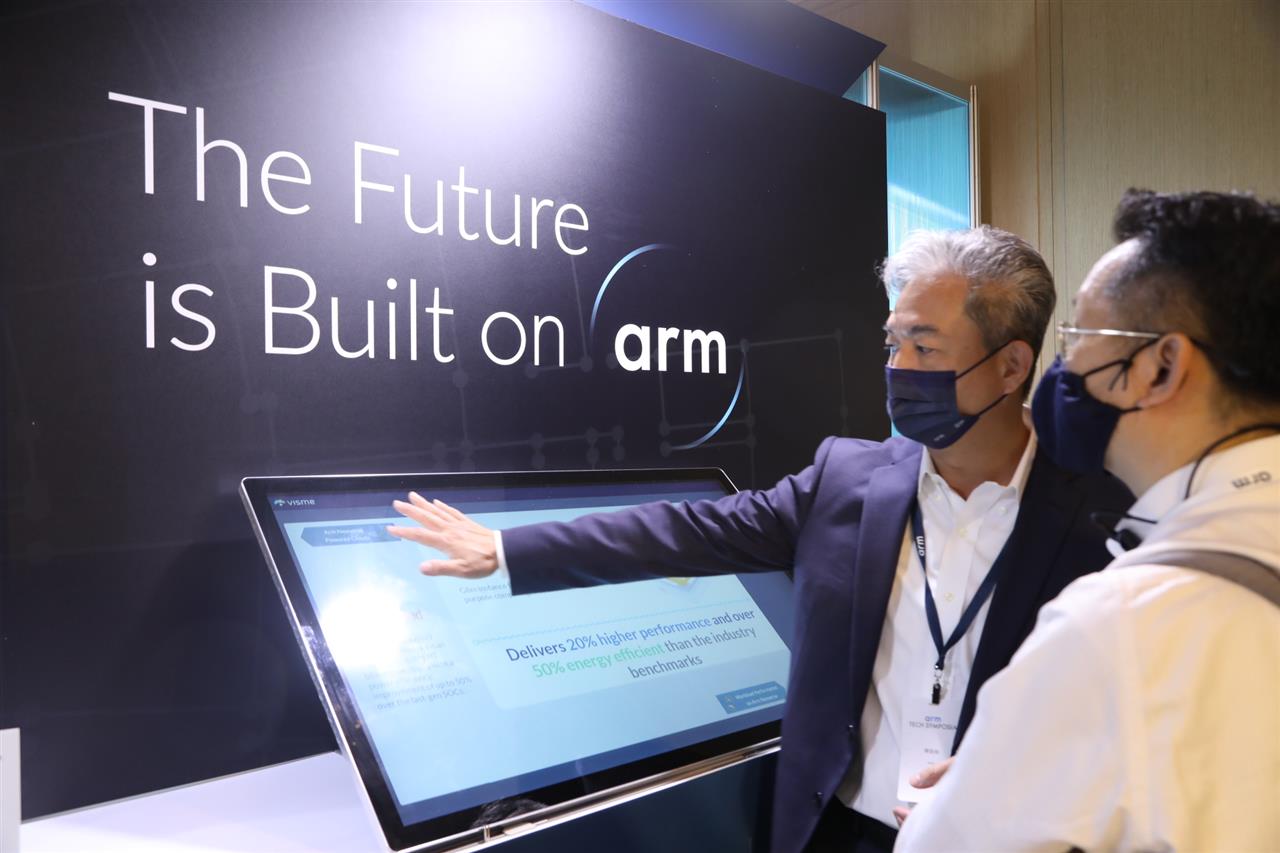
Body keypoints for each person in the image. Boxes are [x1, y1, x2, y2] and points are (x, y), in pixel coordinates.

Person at [388, 227, 1133, 853]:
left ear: (1011, 365)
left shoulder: (1103, 517)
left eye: (925, 348)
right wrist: (508, 550)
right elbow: (688, 532)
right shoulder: (847, 480)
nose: (898, 369)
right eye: (892, 343)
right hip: (837, 832)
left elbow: (1130, 716)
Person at [895, 189, 1280, 852]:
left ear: (1161, 366)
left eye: (1080, 339)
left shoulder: (1123, 624)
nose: (1063, 370)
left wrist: (1002, 776)